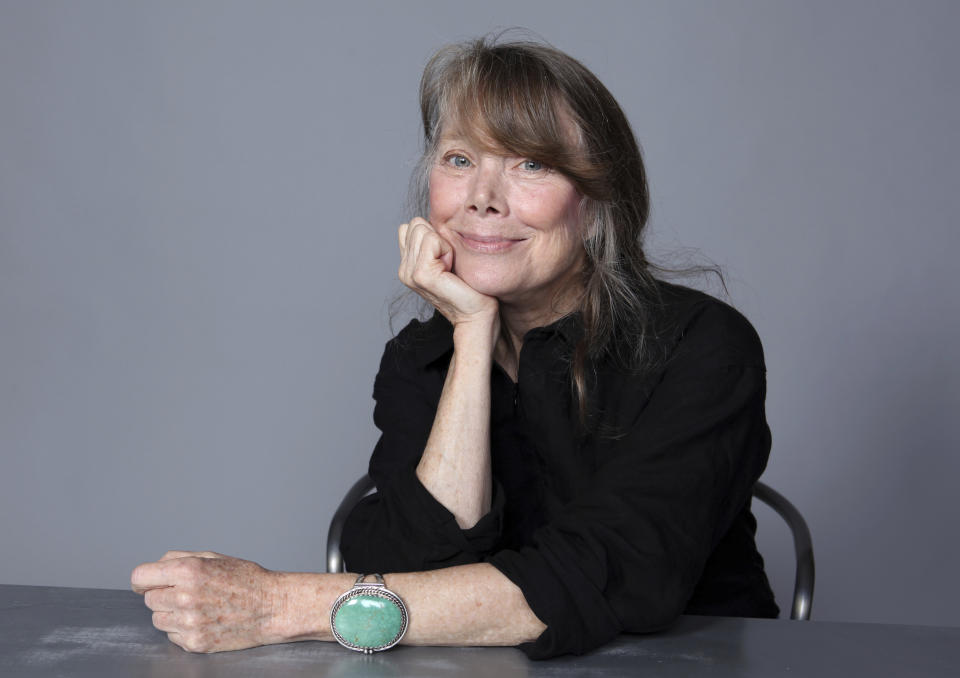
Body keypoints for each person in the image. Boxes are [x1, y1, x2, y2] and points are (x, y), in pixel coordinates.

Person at [131, 36, 778, 659]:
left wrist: (279, 606)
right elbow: (412, 570)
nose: (483, 201)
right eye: (460, 159)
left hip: (693, 662)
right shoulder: (423, 356)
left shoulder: (702, 345)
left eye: (531, 163)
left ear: (597, 197)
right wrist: (472, 336)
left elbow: (607, 576)